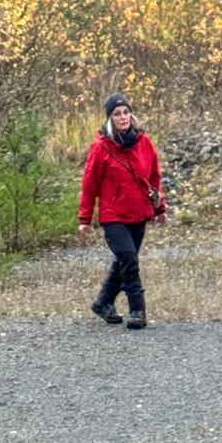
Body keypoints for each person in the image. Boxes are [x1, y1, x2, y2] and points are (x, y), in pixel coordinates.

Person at [78, 93, 165, 330]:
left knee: (124, 261)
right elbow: (89, 184)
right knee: (128, 258)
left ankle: (103, 302)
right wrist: (84, 218)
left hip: (139, 212)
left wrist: (160, 208)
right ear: (110, 118)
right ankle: (138, 310)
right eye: (117, 114)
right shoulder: (100, 148)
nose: (123, 117)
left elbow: (154, 177)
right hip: (113, 214)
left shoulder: (144, 142)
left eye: (126, 112)